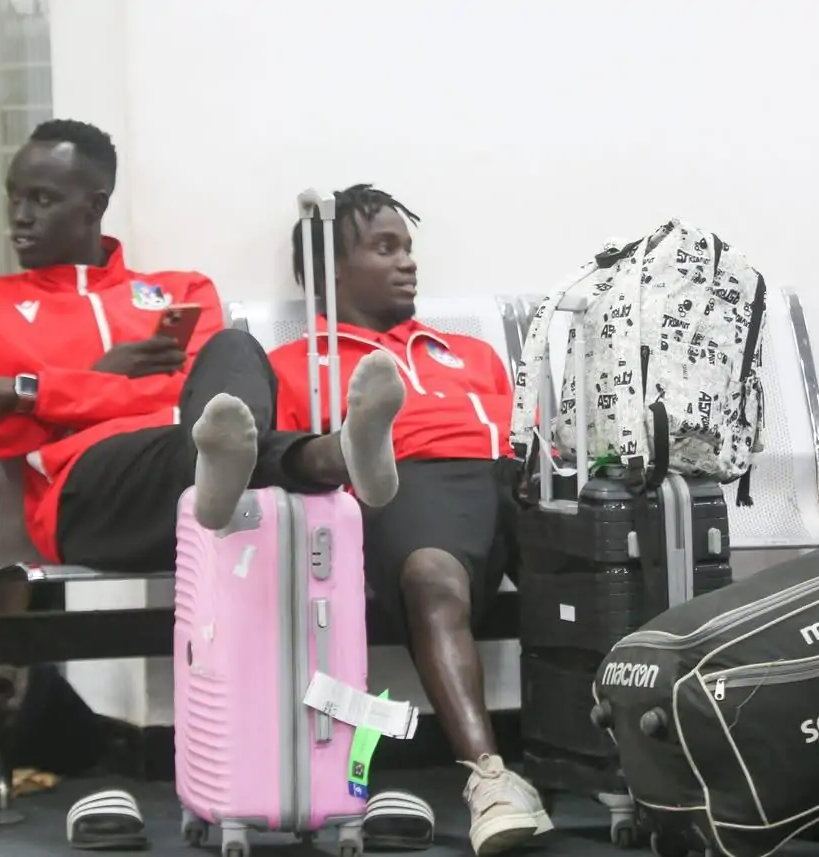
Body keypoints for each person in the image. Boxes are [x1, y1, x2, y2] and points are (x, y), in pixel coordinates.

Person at [0, 120, 406, 585]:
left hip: (189, 464)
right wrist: (88, 386)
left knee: (235, 350)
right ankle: (326, 456)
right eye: (15, 199)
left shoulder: (181, 292)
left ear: (94, 206)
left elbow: (194, 395)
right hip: (86, 496)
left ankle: (237, 476)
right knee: (211, 445)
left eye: (42, 200)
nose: (20, 218)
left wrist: (25, 394)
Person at [268, 184, 547, 856]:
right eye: (385, 248)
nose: (407, 262)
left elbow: (532, 436)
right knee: (430, 575)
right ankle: (490, 780)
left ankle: (653, 762)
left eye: (408, 247)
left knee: (607, 557)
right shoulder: (294, 368)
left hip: (510, 479)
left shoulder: (470, 353)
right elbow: (286, 467)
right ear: (332, 272)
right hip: (411, 489)